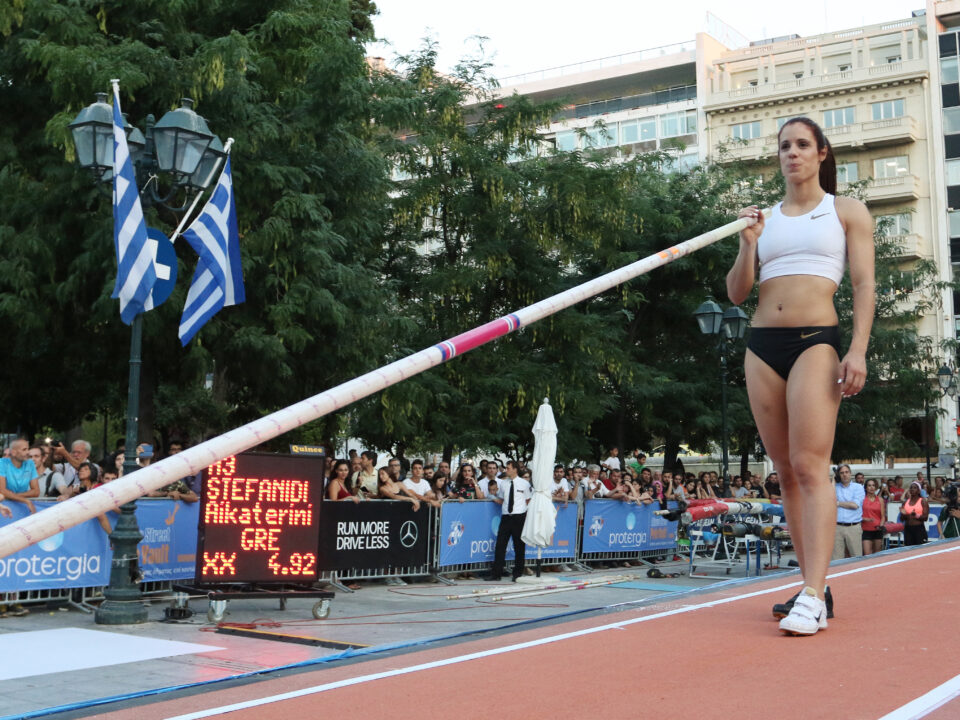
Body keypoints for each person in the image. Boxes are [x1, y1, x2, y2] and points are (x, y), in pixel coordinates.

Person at [728, 116, 874, 636]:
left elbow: (863, 285)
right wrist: (747, 243)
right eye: (785, 146)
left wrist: (857, 350)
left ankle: (812, 596)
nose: (792, 152)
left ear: (821, 153)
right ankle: (813, 585)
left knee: (811, 466)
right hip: (762, 346)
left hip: (816, 340)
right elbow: (737, 293)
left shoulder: (846, 211)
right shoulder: (763, 219)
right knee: (785, 471)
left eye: (802, 144)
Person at [486, 460, 531, 582]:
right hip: (506, 516)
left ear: (515, 469)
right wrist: (493, 498)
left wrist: (524, 512)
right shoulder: (503, 484)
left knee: (519, 546)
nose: (506, 470)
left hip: (519, 516)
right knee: (500, 545)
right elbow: (502, 498)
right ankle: (496, 573)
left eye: (508, 468)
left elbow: (528, 500)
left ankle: (517, 573)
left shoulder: (524, 484)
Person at [833, 464, 864, 559]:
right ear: (838, 475)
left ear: (850, 473)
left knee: (856, 558)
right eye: (841, 473)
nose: (844, 475)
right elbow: (828, 501)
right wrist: (833, 480)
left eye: (846, 472)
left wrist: (838, 503)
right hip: (837, 527)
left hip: (853, 527)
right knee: (836, 560)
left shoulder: (858, 487)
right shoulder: (835, 487)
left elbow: (854, 505)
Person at [0, 438, 39, 514]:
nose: (28, 452)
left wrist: (12, 496)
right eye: (24, 450)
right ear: (13, 452)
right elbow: (2, 490)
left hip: (19, 508)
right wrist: (26, 501)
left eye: (28, 449)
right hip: (4, 508)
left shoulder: (30, 463)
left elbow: (36, 491)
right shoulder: (2, 463)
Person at [860, 478, 885, 555]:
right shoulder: (862, 499)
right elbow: (856, 515)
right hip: (866, 530)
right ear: (866, 488)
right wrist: (865, 519)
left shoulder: (880, 500)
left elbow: (883, 516)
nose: (871, 487)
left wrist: (881, 525)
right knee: (867, 554)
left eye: (873, 485)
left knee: (877, 555)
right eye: (869, 485)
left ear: (876, 487)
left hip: (877, 529)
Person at [900, 481, 929, 546]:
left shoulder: (923, 501)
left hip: (919, 529)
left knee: (919, 549)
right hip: (908, 529)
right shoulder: (905, 502)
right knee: (908, 549)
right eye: (911, 488)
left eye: (915, 488)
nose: (912, 489)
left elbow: (925, 517)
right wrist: (903, 514)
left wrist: (916, 515)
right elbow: (902, 519)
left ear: (919, 491)